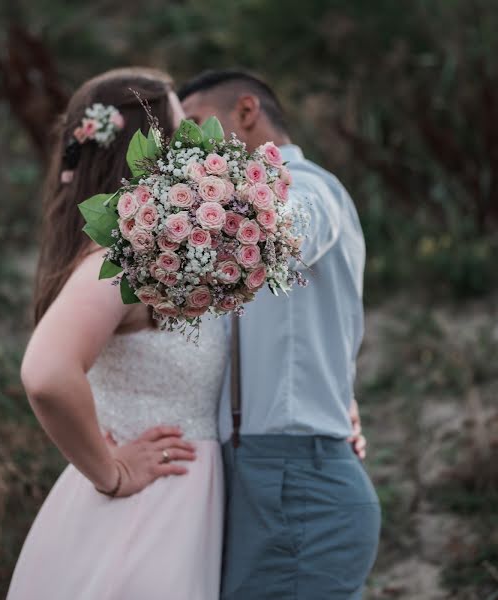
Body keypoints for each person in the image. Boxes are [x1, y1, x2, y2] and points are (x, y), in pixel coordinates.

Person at [7, 67, 227, 600]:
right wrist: (112, 474)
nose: (193, 154)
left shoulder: (149, 254)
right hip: (147, 516)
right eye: (181, 136)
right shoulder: (119, 261)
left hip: (175, 505)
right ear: (144, 150)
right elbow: (46, 373)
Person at [179, 69, 381, 599]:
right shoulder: (215, 218)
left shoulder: (311, 187)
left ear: (247, 112)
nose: (186, 149)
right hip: (261, 479)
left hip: (295, 481)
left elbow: (294, 226)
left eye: (195, 126)